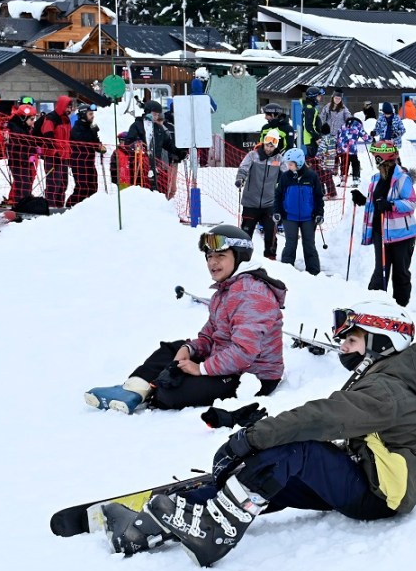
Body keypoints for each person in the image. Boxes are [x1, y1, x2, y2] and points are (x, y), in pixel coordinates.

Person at [105, 302, 416, 567]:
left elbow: (322, 417)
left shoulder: (387, 391)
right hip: (363, 479)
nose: (343, 348)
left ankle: (214, 532)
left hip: (378, 496)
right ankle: (153, 525)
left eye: (352, 340)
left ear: (381, 342)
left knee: (296, 449)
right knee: (273, 474)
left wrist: (250, 438)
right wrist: (254, 453)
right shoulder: (381, 382)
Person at [84, 225, 286, 413]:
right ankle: (134, 390)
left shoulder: (252, 294)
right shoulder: (225, 291)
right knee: (173, 349)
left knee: (170, 393)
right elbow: (209, 336)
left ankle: (152, 392)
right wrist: (189, 350)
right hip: (227, 362)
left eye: (221, 256)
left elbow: (244, 352)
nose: (212, 262)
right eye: (209, 256)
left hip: (250, 376)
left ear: (241, 257)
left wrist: (201, 368)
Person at [350, 141, 416, 306]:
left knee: (400, 273)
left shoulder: (402, 179)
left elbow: (412, 203)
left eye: (376, 157)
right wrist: (363, 200)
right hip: (380, 232)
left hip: (401, 235)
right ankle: (374, 306)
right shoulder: (376, 178)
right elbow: (376, 203)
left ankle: (400, 307)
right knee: (380, 272)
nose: (375, 160)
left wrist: (391, 205)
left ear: (382, 158)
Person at [274, 147, 324, 274]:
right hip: (289, 217)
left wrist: (319, 213)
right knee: (290, 244)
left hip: (308, 217)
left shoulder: (312, 176)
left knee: (309, 244)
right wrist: (277, 211)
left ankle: (314, 272)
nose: (288, 166)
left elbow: (318, 196)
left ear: (299, 163)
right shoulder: (285, 177)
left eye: (291, 164)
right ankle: (286, 270)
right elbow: (278, 195)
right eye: (287, 164)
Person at [236, 131, 285, 260]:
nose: (269, 148)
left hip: (269, 202)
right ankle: (243, 257)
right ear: (264, 143)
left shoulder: (279, 159)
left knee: (271, 232)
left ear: (276, 146)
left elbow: (287, 175)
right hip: (251, 201)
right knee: (246, 232)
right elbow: (243, 168)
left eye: (272, 146)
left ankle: (270, 256)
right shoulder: (253, 155)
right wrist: (240, 178)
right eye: (267, 144)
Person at [123, 100, 182, 198]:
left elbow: (168, 144)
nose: (156, 117)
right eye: (154, 114)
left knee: (157, 191)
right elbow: (128, 142)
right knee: (143, 192)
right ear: (147, 112)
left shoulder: (158, 128)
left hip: (156, 165)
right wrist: (136, 144)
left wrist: (179, 152)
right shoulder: (137, 126)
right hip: (140, 166)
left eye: (157, 115)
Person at [38, 95, 75, 208]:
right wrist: (55, 152)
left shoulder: (66, 120)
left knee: (63, 184)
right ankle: (50, 207)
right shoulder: (51, 118)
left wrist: (70, 154)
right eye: (67, 107)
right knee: (54, 184)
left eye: (70, 107)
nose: (69, 110)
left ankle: (59, 207)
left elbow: (68, 139)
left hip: (64, 157)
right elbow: (47, 137)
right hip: (53, 157)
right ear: (62, 106)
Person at [66, 104, 106, 207]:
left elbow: (94, 143)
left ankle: (89, 208)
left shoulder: (89, 127)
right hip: (79, 163)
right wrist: (92, 133)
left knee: (93, 187)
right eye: (90, 114)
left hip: (89, 162)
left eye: (92, 114)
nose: (93, 116)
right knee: (82, 188)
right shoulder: (76, 128)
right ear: (83, 114)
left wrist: (99, 147)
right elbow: (83, 140)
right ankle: (70, 206)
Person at [5, 103, 40, 203]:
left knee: (27, 184)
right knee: (23, 185)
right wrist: (29, 154)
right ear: (23, 118)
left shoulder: (25, 128)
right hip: (18, 162)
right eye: (31, 119)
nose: (33, 122)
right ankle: (20, 204)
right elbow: (18, 147)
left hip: (25, 162)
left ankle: (25, 204)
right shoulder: (14, 129)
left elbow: (28, 143)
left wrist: (35, 149)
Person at [336, 114, 367, 187]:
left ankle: (343, 180)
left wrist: (337, 146)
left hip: (342, 148)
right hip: (351, 148)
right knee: (355, 163)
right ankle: (356, 179)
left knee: (344, 163)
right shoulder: (358, 125)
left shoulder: (343, 125)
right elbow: (365, 136)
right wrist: (371, 139)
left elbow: (337, 135)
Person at [301, 86, 323, 158]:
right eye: (318, 96)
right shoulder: (309, 108)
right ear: (313, 97)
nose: (320, 98)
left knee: (313, 160)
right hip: (311, 140)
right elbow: (309, 126)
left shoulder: (311, 107)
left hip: (312, 139)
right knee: (312, 160)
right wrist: (317, 137)